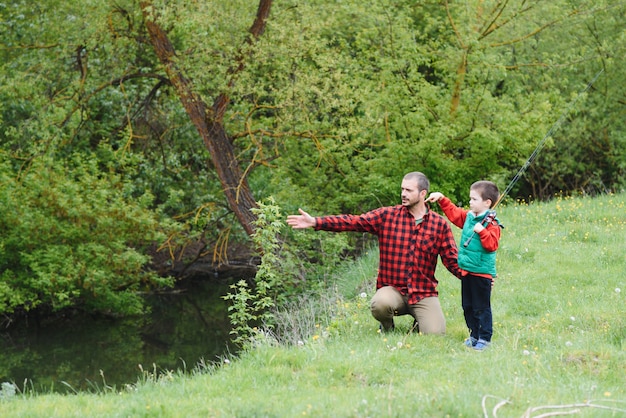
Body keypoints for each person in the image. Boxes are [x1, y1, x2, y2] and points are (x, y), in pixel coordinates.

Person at [286, 171, 462, 335]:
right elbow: (353, 222)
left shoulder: (439, 225)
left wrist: (475, 277)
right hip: (393, 290)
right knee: (380, 305)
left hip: (423, 292)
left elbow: (452, 260)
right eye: (402, 189)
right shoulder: (387, 216)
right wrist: (317, 222)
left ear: (423, 194)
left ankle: (419, 322)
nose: (403, 194)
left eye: (409, 190)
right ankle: (387, 327)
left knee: (435, 334)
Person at [426, 181, 503, 351]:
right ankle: (474, 334)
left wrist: (482, 231)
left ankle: (484, 338)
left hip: (481, 274)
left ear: (487, 203)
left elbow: (492, 245)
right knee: (467, 306)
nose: (470, 202)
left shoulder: (492, 224)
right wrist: (441, 199)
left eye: (474, 199)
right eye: (470, 198)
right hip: (466, 272)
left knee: (481, 307)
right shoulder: (469, 217)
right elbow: (454, 215)